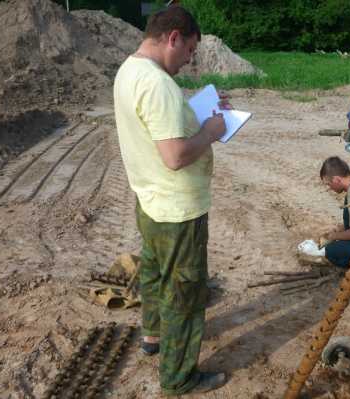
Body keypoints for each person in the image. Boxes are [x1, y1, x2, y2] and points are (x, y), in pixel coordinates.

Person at [113, 6, 230, 396]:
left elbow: (159, 125)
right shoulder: (159, 84)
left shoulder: (131, 70)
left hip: (149, 199)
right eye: (189, 51)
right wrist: (213, 130)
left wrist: (199, 110)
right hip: (177, 210)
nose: (189, 60)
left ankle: (153, 336)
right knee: (185, 292)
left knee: (154, 273)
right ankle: (179, 378)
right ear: (174, 37)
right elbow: (176, 156)